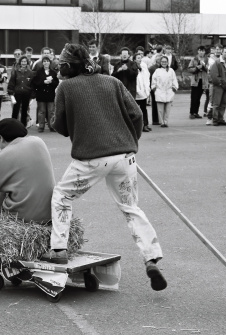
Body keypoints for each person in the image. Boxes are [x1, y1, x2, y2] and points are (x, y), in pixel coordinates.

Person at [41, 43, 167, 292]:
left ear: (67, 67)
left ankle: (58, 249)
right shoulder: (112, 82)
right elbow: (137, 115)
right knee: (131, 208)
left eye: (61, 64)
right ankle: (151, 258)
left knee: (62, 195)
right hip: (125, 156)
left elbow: (62, 126)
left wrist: (60, 98)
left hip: (91, 158)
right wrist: (130, 143)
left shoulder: (65, 87)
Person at [31, 56, 59, 132]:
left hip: (50, 94)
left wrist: (51, 82)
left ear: (50, 63)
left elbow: (56, 83)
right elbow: (35, 82)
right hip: (41, 94)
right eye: (44, 61)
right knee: (41, 111)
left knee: (51, 111)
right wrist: (43, 82)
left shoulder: (53, 73)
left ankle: (52, 126)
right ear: (42, 63)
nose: (46, 63)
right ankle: (41, 126)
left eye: (47, 61)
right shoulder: (38, 72)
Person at [151, 56, 178, 128]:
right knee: (160, 109)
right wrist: (154, 89)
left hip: (169, 91)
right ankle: (162, 122)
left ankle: (166, 121)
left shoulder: (171, 70)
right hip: (160, 91)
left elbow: (174, 80)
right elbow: (153, 81)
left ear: (167, 62)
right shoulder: (157, 71)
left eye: (165, 62)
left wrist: (174, 88)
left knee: (167, 109)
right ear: (160, 62)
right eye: (162, 62)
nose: (164, 63)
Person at [7, 56, 34, 127]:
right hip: (17, 93)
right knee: (15, 110)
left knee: (24, 111)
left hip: (26, 94)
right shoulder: (15, 72)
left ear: (27, 62)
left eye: (25, 61)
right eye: (22, 61)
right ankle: (13, 126)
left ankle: (23, 126)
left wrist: (32, 96)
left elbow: (32, 85)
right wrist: (11, 93)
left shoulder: (30, 73)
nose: (23, 63)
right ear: (20, 63)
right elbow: (11, 83)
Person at [209, 46, 226, 126]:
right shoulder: (217, 62)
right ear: (222, 52)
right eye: (225, 52)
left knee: (223, 103)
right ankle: (215, 119)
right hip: (218, 86)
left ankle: (221, 119)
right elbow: (214, 75)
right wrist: (220, 83)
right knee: (216, 103)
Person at [187, 45, 209, 119]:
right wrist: (196, 68)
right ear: (198, 51)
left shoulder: (207, 59)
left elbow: (209, 69)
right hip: (195, 81)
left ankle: (196, 112)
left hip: (203, 81)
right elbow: (189, 69)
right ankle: (192, 112)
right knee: (194, 97)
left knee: (199, 98)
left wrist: (204, 66)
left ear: (204, 52)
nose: (201, 52)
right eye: (200, 50)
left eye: (203, 51)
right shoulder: (194, 59)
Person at [134, 52, 152, 132]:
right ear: (134, 59)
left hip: (144, 93)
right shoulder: (133, 68)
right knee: (136, 111)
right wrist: (139, 91)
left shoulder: (143, 67)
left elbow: (146, 79)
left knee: (144, 109)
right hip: (136, 93)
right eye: (138, 58)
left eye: (140, 57)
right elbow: (134, 82)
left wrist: (147, 90)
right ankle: (137, 126)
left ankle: (145, 124)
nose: (140, 59)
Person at [148, 54, 162, 125]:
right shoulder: (152, 68)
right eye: (159, 59)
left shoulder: (162, 68)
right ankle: (155, 120)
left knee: (160, 103)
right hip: (154, 88)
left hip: (160, 88)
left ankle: (159, 119)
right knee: (155, 103)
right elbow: (149, 78)